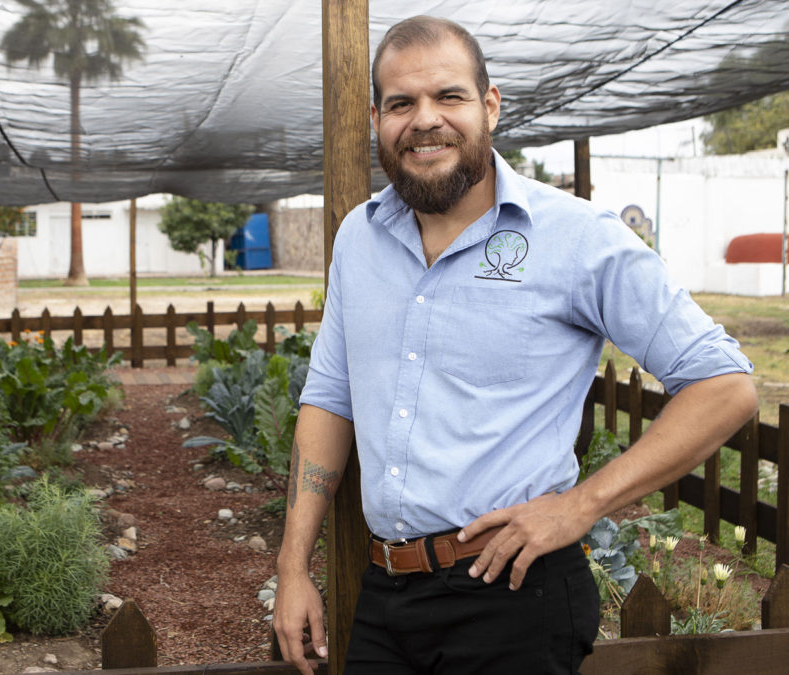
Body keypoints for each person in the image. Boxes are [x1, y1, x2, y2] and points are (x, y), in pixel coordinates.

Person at [273, 15, 757, 675]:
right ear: (377, 119)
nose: (425, 120)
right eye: (401, 103)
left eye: (448, 96)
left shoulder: (576, 236)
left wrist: (581, 505)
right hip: (387, 596)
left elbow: (723, 383)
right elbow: (330, 397)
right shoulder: (360, 237)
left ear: (490, 106)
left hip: (514, 598)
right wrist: (293, 564)